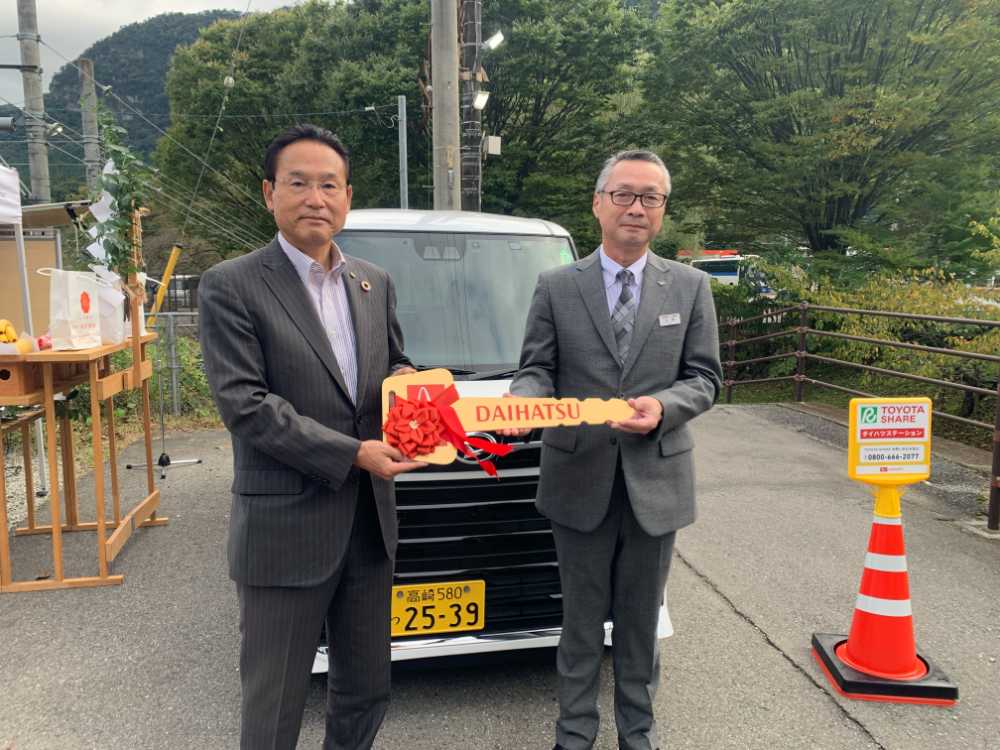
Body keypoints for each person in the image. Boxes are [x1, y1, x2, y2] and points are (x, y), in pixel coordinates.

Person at [199, 123, 423, 750]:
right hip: (284, 531)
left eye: (329, 185)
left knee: (366, 690)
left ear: (347, 197)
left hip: (368, 527)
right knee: (275, 706)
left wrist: (415, 386)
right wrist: (352, 452)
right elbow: (246, 405)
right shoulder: (233, 284)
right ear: (270, 193)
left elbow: (391, 367)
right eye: (298, 183)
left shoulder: (372, 281)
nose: (315, 198)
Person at [507, 150, 722, 750]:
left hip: (657, 481)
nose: (636, 207)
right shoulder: (557, 285)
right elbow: (536, 369)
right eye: (624, 194)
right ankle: (573, 735)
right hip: (578, 478)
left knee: (639, 624)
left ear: (662, 212)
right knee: (579, 624)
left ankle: (639, 734)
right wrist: (521, 405)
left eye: (650, 197)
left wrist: (664, 408)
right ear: (598, 203)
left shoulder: (690, 285)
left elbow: (704, 379)